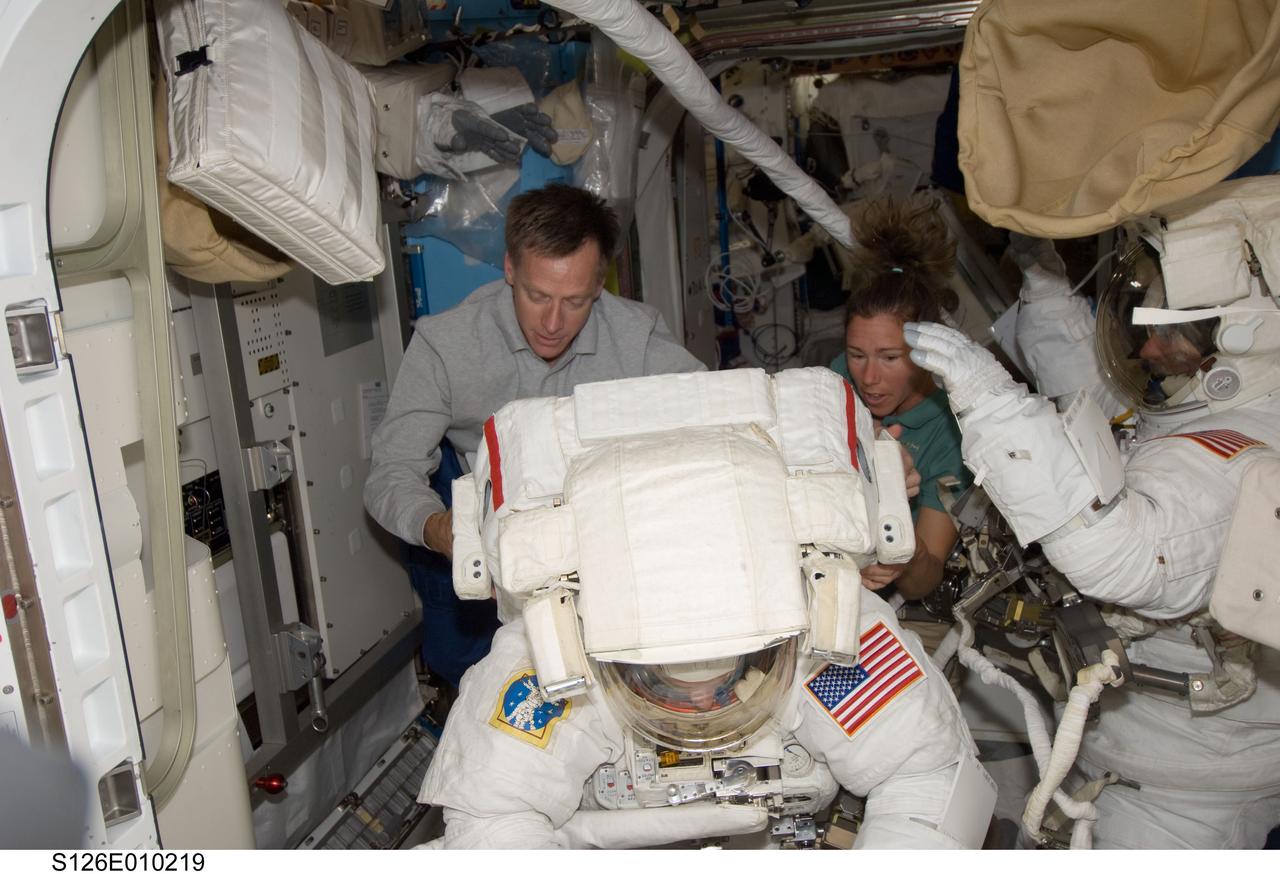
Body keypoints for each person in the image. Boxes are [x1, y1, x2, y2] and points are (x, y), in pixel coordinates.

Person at [418, 367, 995, 849]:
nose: (699, 701)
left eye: (730, 676)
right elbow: (492, 819)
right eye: (666, 682)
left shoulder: (825, 623)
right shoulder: (552, 654)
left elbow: (924, 771)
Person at [902, 175, 1280, 849]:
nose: (1146, 351)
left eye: (1175, 335)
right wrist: (1042, 275)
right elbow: (1096, 408)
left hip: (1183, 796)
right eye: (1144, 327)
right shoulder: (1197, 409)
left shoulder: (1244, 455)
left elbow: (1124, 556)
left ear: (1248, 336)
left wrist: (992, 404)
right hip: (1118, 754)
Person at [363, 184, 703, 688]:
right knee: (473, 669)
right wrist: (439, 528)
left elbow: (715, 417)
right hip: (481, 511)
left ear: (600, 285)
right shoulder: (446, 345)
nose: (551, 322)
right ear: (509, 269)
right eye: (536, 295)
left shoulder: (637, 337)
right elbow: (390, 472)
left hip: (594, 505)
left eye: (575, 302)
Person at [829, 194, 972, 600]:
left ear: (926, 353)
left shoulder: (951, 433)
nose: (869, 377)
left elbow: (922, 583)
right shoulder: (841, 373)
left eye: (890, 357)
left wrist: (898, 550)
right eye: (858, 354)